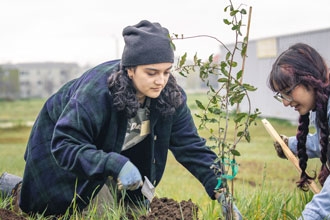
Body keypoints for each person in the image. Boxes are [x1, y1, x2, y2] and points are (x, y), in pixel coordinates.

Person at [0, 20, 242, 219]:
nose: (161, 80)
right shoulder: (97, 92)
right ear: (130, 69)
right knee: (61, 207)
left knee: (134, 213)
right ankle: (11, 186)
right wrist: (115, 165)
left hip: (113, 152)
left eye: (167, 72)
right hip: (63, 141)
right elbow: (65, 144)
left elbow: (190, 146)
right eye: (151, 72)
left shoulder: (170, 97)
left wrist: (220, 188)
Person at [269, 43, 330, 220]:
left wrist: (311, 215)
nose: (285, 103)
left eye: (287, 93)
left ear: (309, 79)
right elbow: (323, 143)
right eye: (281, 95)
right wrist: (291, 145)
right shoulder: (321, 106)